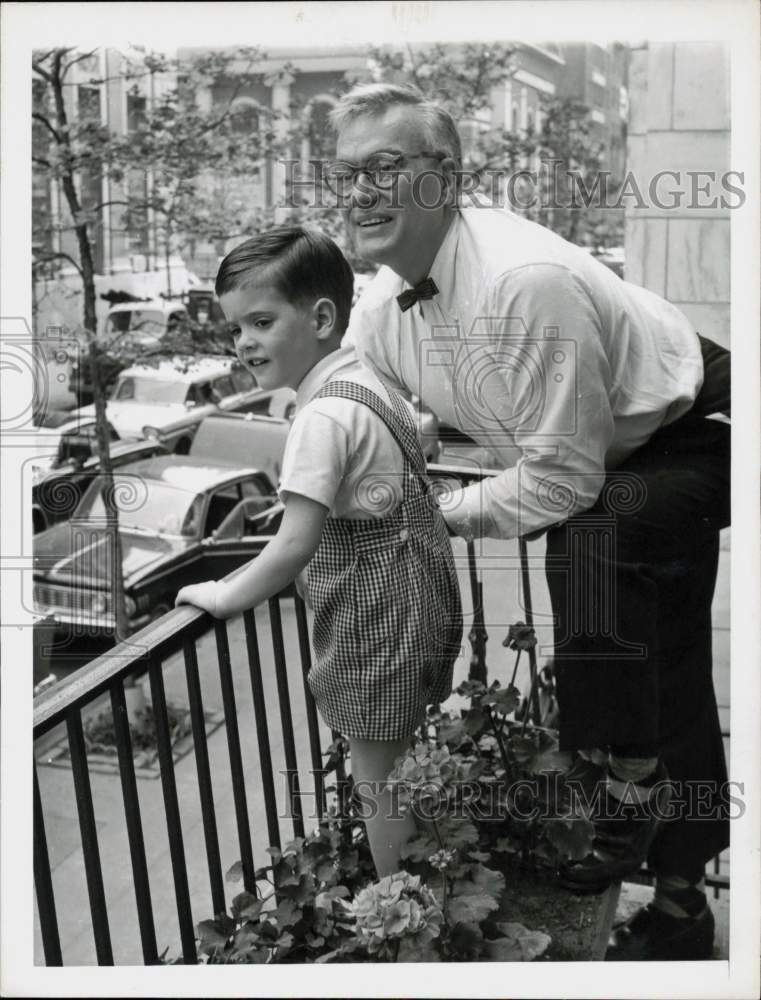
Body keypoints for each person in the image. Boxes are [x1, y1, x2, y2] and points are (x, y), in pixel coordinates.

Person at [328, 82, 731, 960]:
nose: (356, 191)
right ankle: (676, 898)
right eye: (345, 172)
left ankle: (621, 785)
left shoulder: (523, 282)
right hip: (610, 457)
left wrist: (432, 515)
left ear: (445, 178)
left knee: (595, 542)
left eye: (384, 168)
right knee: (660, 648)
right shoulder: (379, 310)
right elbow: (354, 410)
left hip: (695, 430)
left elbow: (555, 483)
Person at [175, 225, 463, 877]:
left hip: (374, 617)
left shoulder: (321, 417)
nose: (244, 342)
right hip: (417, 594)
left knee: (376, 781)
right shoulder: (369, 383)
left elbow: (293, 545)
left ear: (323, 317)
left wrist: (222, 596)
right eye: (236, 328)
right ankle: (435, 875)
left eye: (261, 321)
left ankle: (409, 907)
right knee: (397, 763)